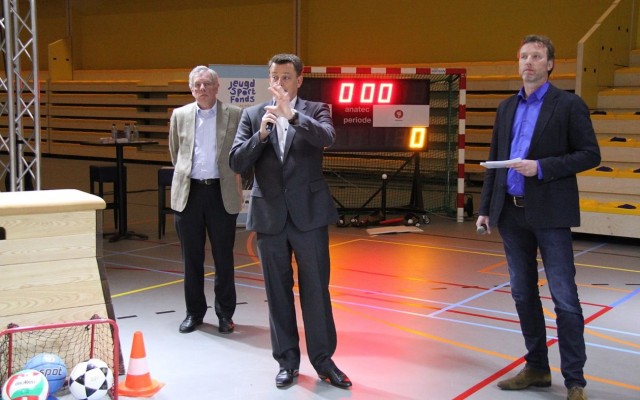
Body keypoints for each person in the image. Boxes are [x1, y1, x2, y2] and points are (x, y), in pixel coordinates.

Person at [476, 35, 600, 400]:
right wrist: (485, 209)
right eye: (523, 56)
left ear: (550, 64)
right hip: (511, 215)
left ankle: (575, 380)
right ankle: (536, 368)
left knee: (565, 298)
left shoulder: (569, 105)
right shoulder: (505, 108)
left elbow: (590, 154)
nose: (528, 62)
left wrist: (541, 167)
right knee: (522, 294)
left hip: (551, 214)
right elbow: (495, 161)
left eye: (536, 56)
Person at [229, 54, 351, 389]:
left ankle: (324, 362)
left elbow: (326, 137)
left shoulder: (316, 110)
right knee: (277, 292)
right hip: (269, 217)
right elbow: (236, 162)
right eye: (274, 77)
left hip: (309, 215)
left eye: (286, 77)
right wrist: (261, 135)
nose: (279, 82)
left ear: (299, 80)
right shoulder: (253, 115)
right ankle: (286, 362)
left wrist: (292, 116)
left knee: (316, 290)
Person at [169, 66, 243, 335]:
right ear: (191, 89)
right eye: (197, 84)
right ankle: (194, 313)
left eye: (207, 84)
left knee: (223, 258)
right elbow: (175, 153)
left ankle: (225, 314)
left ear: (216, 87)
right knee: (191, 259)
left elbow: (241, 153)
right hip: (189, 194)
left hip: (221, 193)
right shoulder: (179, 115)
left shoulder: (234, 114)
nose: (202, 88)